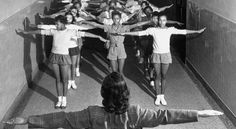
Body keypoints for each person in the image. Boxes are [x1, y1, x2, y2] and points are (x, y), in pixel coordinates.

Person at [4, 72, 223, 129]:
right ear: (126, 93)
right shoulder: (136, 113)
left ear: (102, 94)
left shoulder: (92, 113)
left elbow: (60, 118)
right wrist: (200, 113)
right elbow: (165, 116)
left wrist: (28, 119)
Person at [16, 15, 107, 109]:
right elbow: (39, 32)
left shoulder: (70, 32)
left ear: (63, 23)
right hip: (54, 56)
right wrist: (25, 31)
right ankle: (59, 99)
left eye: (57, 24)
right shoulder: (54, 31)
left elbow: (85, 34)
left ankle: (64, 99)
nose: (56, 25)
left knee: (65, 80)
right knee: (57, 79)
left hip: (64, 57)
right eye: (55, 24)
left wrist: (98, 36)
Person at [119, 13, 206, 106]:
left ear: (166, 21)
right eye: (160, 20)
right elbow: (139, 33)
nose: (162, 22)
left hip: (166, 55)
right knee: (157, 75)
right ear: (157, 21)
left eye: (164, 20)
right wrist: (125, 33)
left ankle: (162, 96)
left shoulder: (170, 30)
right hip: (156, 55)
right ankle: (157, 96)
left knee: (164, 76)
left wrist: (197, 31)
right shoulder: (153, 30)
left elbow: (183, 31)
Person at [82, 11, 151, 75]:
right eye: (114, 19)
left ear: (120, 19)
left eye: (117, 19)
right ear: (112, 19)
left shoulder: (124, 27)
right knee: (114, 72)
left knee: (121, 72)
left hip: (121, 49)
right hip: (112, 49)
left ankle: (121, 86)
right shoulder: (108, 27)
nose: (116, 20)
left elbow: (137, 24)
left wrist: (149, 21)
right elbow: (96, 24)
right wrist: (84, 21)